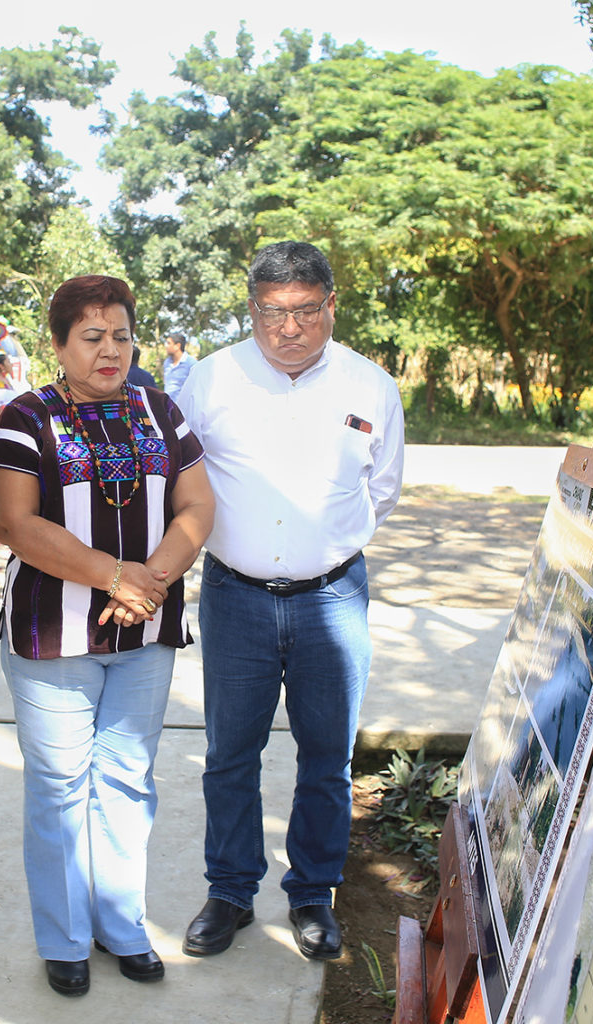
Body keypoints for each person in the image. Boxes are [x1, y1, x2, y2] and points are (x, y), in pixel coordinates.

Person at [176, 241, 403, 962]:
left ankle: (312, 895)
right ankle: (230, 892)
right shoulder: (211, 381)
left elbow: (384, 489)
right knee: (229, 754)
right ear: (252, 310)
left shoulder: (371, 388)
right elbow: (183, 485)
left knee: (327, 758)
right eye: (272, 313)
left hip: (332, 599)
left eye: (306, 310)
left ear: (331, 306)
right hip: (235, 599)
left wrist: (322, 544)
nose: (289, 328)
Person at [0, 275, 215, 996]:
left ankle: (121, 925)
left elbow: (197, 502)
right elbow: (15, 524)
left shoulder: (160, 409)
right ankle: (63, 939)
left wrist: (149, 580)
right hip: (55, 636)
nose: (110, 350)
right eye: (92, 337)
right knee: (60, 789)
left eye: (121, 335)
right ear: (58, 346)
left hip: (143, 631)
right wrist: (114, 576)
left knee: (125, 781)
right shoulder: (27, 417)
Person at [161, 331, 196, 399]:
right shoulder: (167, 362)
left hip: (183, 407)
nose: (166, 346)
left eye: (168, 343)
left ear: (177, 346)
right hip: (168, 406)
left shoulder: (191, 364)